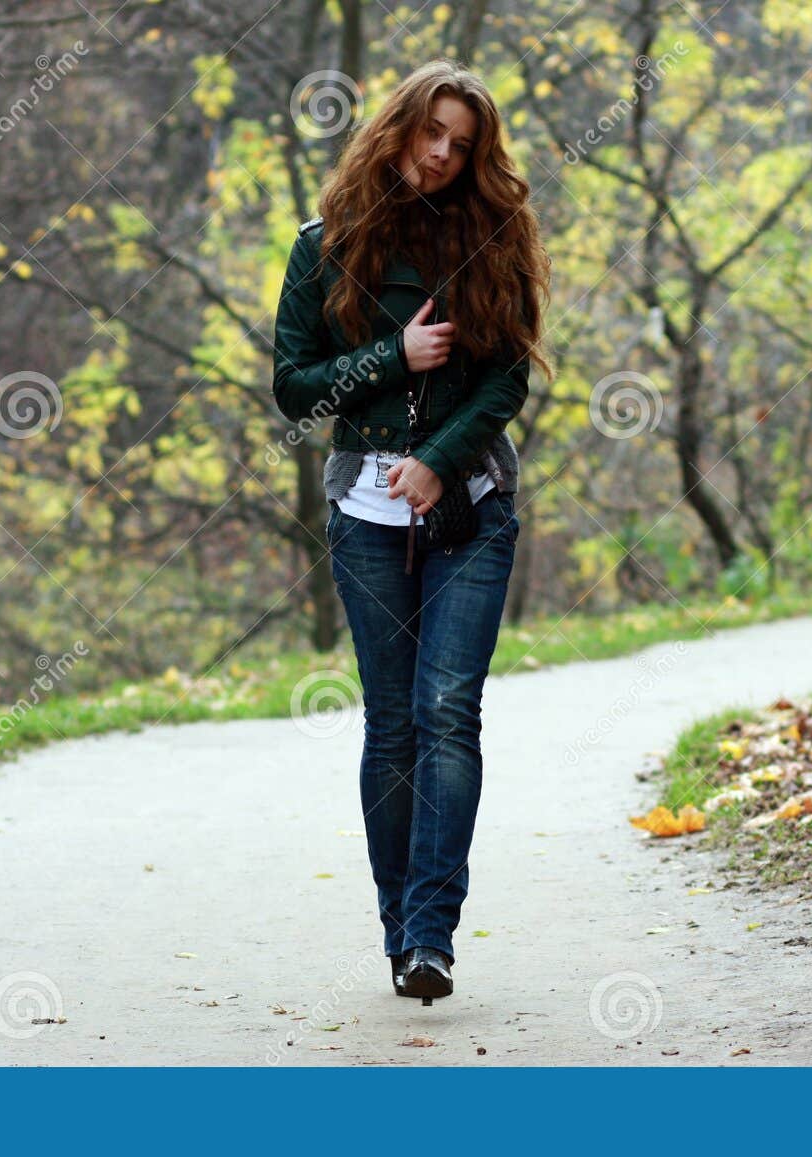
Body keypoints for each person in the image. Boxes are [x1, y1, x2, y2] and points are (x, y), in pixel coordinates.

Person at [271, 59, 552, 1004]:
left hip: (470, 506)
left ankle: (432, 934)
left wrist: (437, 456)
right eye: (430, 132)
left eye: (460, 144)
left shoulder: (494, 234)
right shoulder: (324, 245)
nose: (440, 154)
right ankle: (400, 934)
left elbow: (507, 376)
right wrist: (394, 355)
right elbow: (295, 388)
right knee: (392, 726)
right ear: (395, 127)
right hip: (363, 516)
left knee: (446, 713)